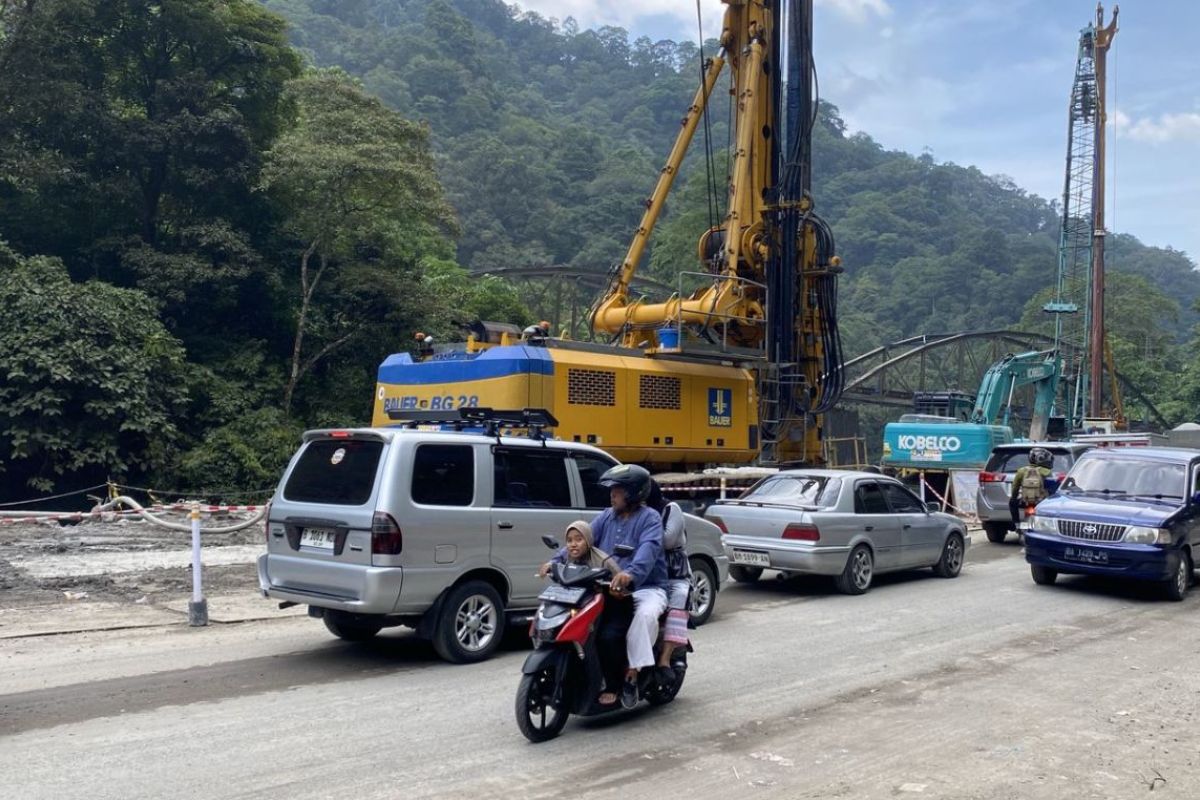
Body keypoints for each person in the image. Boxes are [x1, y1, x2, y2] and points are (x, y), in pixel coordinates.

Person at [543, 464, 667, 708]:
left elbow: (648, 550)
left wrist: (630, 574)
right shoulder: (606, 516)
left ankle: (631, 674)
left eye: (617, 490)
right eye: (611, 490)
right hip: (606, 586)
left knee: (640, 618)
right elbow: (583, 540)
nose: (612, 494)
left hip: (645, 587)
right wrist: (556, 560)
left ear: (633, 492)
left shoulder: (650, 518)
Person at [646, 480, 690, 679]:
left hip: (675, 573)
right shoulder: (635, 512)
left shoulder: (671, 509)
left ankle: (665, 658)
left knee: (677, 607)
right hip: (649, 571)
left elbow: (667, 540)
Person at [1010, 447, 1054, 528]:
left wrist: (1014, 497)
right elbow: (1051, 488)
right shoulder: (1047, 472)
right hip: (1041, 502)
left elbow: (1015, 487)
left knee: (1012, 503)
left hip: (1025, 501)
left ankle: (1016, 524)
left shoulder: (1021, 470)